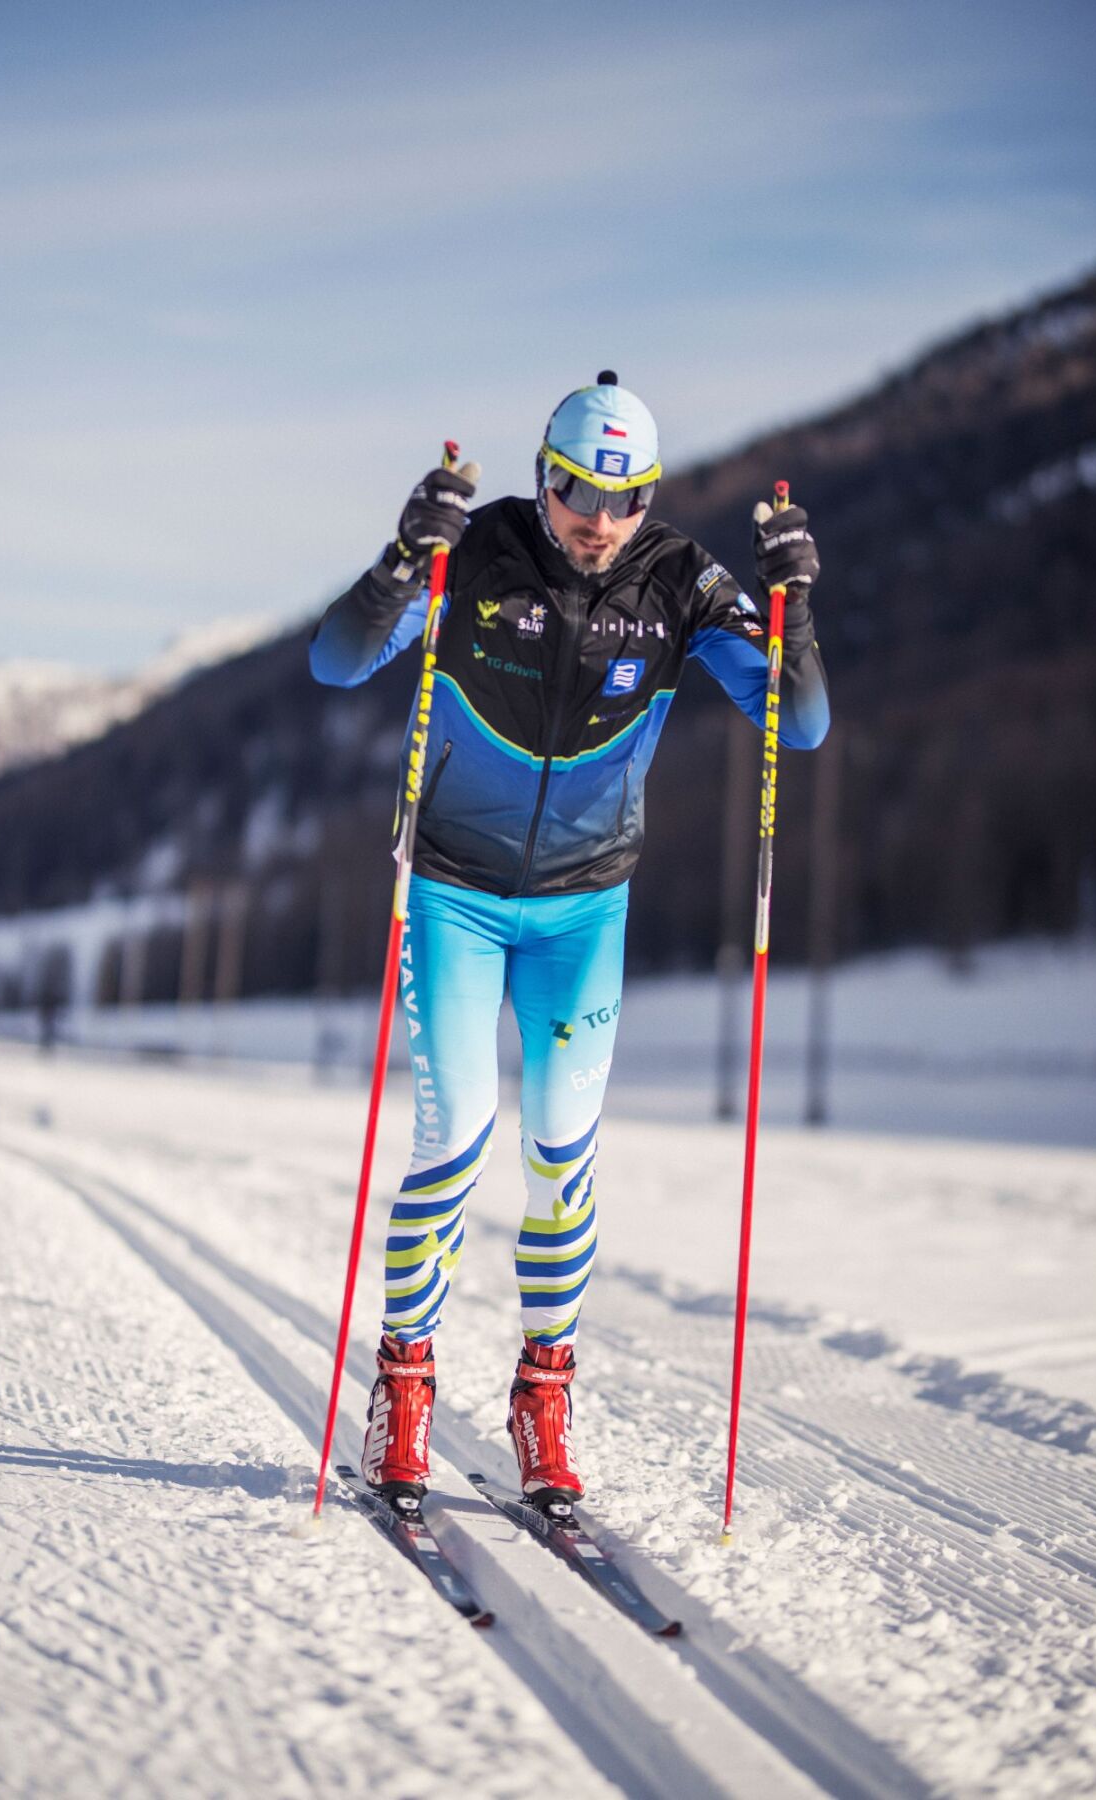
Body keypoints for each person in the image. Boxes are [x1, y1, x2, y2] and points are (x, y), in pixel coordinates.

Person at [310, 372, 829, 1511]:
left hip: (583, 910)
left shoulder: (681, 580)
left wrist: (793, 609)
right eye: (576, 490)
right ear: (542, 478)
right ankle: (403, 1384)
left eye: (624, 497)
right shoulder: (478, 552)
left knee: (559, 1148)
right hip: (452, 892)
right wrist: (402, 559)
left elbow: (798, 725)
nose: (598, 519)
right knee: (455, 1139)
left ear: (651, 496)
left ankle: (542, 1396)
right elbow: (338, 660)